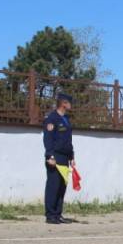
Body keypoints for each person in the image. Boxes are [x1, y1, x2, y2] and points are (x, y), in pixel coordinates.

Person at [43, 93, 76, 224]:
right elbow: (48, 139)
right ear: (63, 103)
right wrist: (50, 156)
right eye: (70, 102)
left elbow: (68, 140)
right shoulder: (52, 118)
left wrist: (71, 156)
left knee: (62, 186)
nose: (71, 105)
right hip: (55, 157)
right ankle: (50, 215)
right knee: (53, 186)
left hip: (64, 157)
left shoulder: (66, 119)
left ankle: (58, 214)